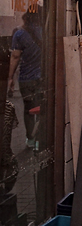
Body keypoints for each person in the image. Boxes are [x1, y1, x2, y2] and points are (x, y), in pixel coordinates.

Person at [8, 8, 43, 148]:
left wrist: (10, 77)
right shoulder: (46, 32)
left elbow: (15, 57)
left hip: (26, 79)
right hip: (43, 78)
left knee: (29, 110)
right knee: (42, 109)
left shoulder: (20, 33)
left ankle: (30, 139)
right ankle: (40, 139)